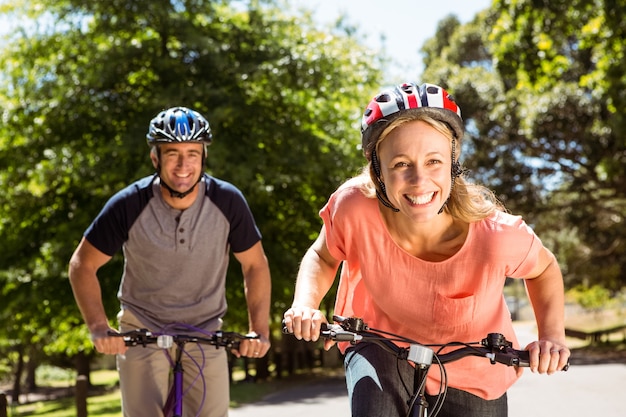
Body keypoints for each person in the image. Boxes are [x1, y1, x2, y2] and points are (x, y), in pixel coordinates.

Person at [283, 82, 570, 417]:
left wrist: (551, 336)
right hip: (381, 348)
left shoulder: (496, 235)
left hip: (474, 370)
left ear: (452, 163)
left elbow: (544, 269)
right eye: (401, 164)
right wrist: (305, 303)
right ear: (378, 170)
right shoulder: (354, 207)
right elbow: (323, 255)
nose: (419, 180)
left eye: (433, 161)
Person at [69, 106, 271, 417]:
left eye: (192, 153)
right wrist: (98, 327)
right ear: (155, 158)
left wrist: (259, 331)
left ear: (204, 156)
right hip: (142, 330)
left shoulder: (228, 201)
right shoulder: (129, 203)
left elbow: (255, 265)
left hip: (205, 331)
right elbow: (82, 264)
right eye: (172, 153)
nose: (182, 164)